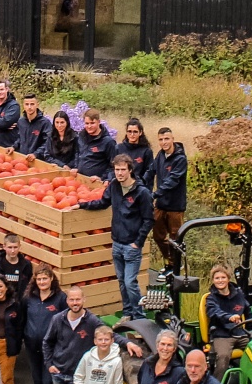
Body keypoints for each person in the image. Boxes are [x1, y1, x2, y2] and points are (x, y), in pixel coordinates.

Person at [81, 154, 155, 314]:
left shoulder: (142, 193)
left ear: (130, 170)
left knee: (130, 282)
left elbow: (149, 220)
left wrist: (138, 242)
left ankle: (139, 316)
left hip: (131, 245)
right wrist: (81, 205)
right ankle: (128, 313)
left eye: (122, 170)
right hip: (117, 243)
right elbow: (102, 202)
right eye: (116, 170)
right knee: (121, 281)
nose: (119, 173)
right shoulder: (114, 186)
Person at [23, 265, 65, 384]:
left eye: (45, 278)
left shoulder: (60, 298)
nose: (42, 282)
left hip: (52, 348)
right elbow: (22, 318)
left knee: (48, 381)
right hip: (32, 345)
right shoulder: (29, 297)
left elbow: (66, 322)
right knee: (37, 380)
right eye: (39, 279)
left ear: (51, 279)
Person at [149, 127, 189, 270]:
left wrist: (154, 194)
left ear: (172, 139)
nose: (164, 142)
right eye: (161, 139)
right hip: (161, 205)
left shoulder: (180, 159)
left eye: (167, 139)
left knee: (175, 238)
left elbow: (172, 181)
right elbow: (151, 171)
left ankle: (175, 266)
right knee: (158, 236)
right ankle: (170, 261)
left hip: (175, 206)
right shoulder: (160, 155)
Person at [202, 262, 251, 373]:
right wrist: (229, 317)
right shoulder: (211, 298)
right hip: (221, 335)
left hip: (239, 334)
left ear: (228, 278)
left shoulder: (239, 295)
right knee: (223, 356)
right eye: (217, 278)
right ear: (213, 280)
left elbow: (248, 313)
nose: (220, 280)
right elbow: (214, 312)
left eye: (223, 277)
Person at [74, 110, 117, 179]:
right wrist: (76, 167)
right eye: (87, 123)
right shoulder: (81, 136)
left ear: (99, 122)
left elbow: (114, 165)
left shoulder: (108, 142)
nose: (89, 126)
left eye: (92, 123)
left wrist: (103, 178)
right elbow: (77, 153)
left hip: (96, 183)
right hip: (80, 179)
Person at [0, 233, 33, 298]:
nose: (13, 251)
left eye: (15, 247)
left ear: (19, 246)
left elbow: (29, 287)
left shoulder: (26, 265)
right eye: (10, 247)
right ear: (4, 247)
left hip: (18, 304)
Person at [118, 119, 155, 186]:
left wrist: (140, 184)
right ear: (126, 132)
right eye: (129, 131)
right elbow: (112, 168)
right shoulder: (118, 148)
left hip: (139, 187)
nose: (132, 134)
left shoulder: (146, 151)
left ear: (140, 133)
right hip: (120, 187)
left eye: (135, 132)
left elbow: (149, 172)